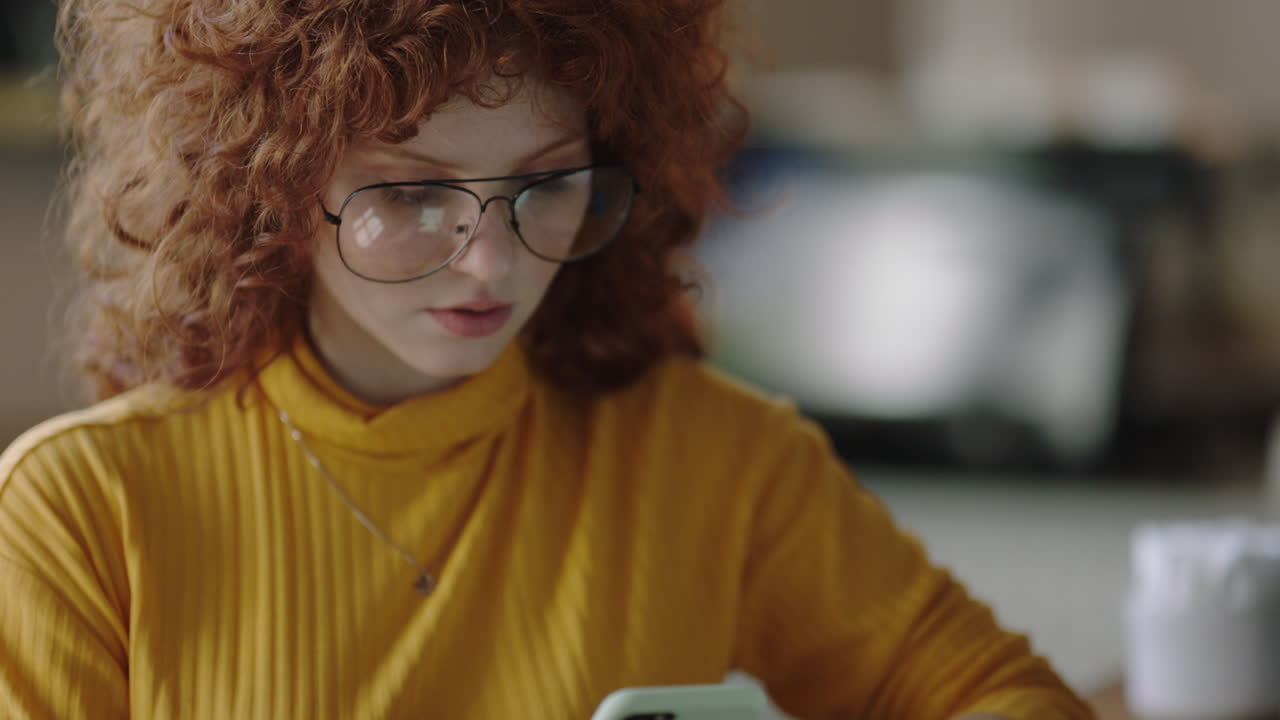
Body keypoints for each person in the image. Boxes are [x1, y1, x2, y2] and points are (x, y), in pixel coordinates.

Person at [0, 1, 1094, 718]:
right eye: (414, 193)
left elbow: (995, 695)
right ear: (270, 196)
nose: (489, 262)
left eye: (544, 183)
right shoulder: (84, 513)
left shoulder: (713, 459)